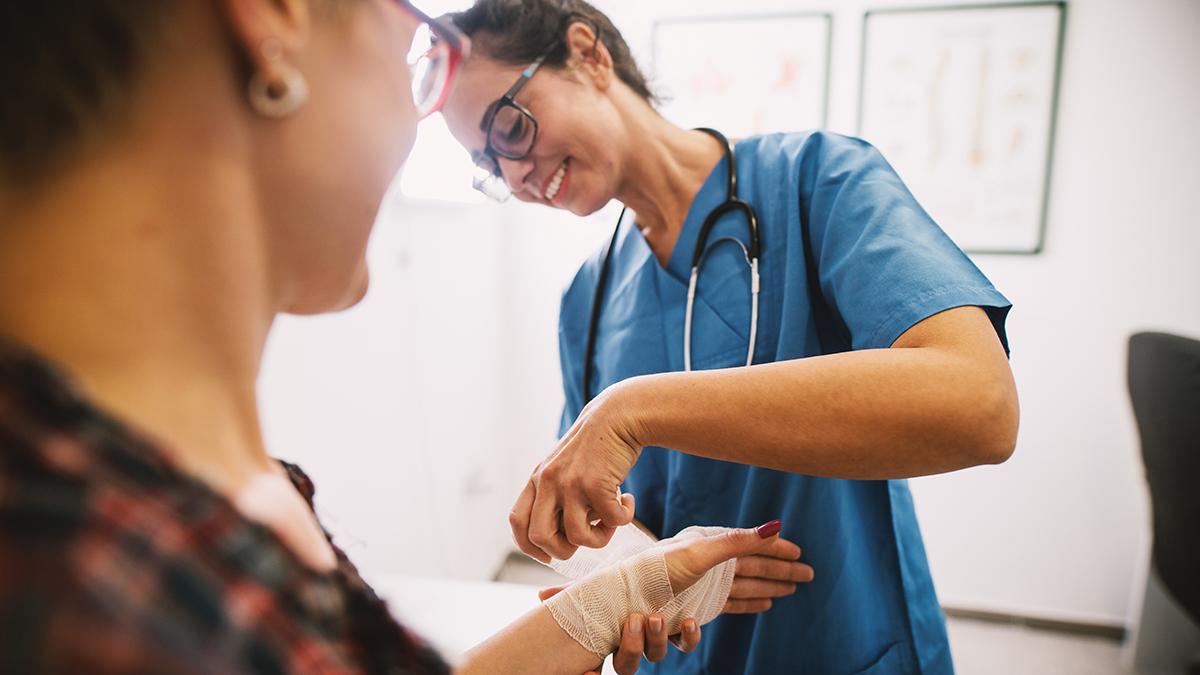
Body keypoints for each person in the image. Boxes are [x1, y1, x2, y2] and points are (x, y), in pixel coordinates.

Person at [0, 1, 813, 673]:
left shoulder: (167, 506)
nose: (515, 177)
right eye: (415, 49)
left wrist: (617, 593)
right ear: (273, 18)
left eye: (506, 127)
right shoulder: (114, 588)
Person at [440, 1, 1021, 673]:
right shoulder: (588, 296)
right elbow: (598, 515)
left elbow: (981, 405)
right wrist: (635, 569)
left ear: (588, 53)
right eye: (489, 165)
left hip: (842, 642)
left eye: (508, 127)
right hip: (683, 657)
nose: (514, 175)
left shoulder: (818, 180)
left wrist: (634, 409)